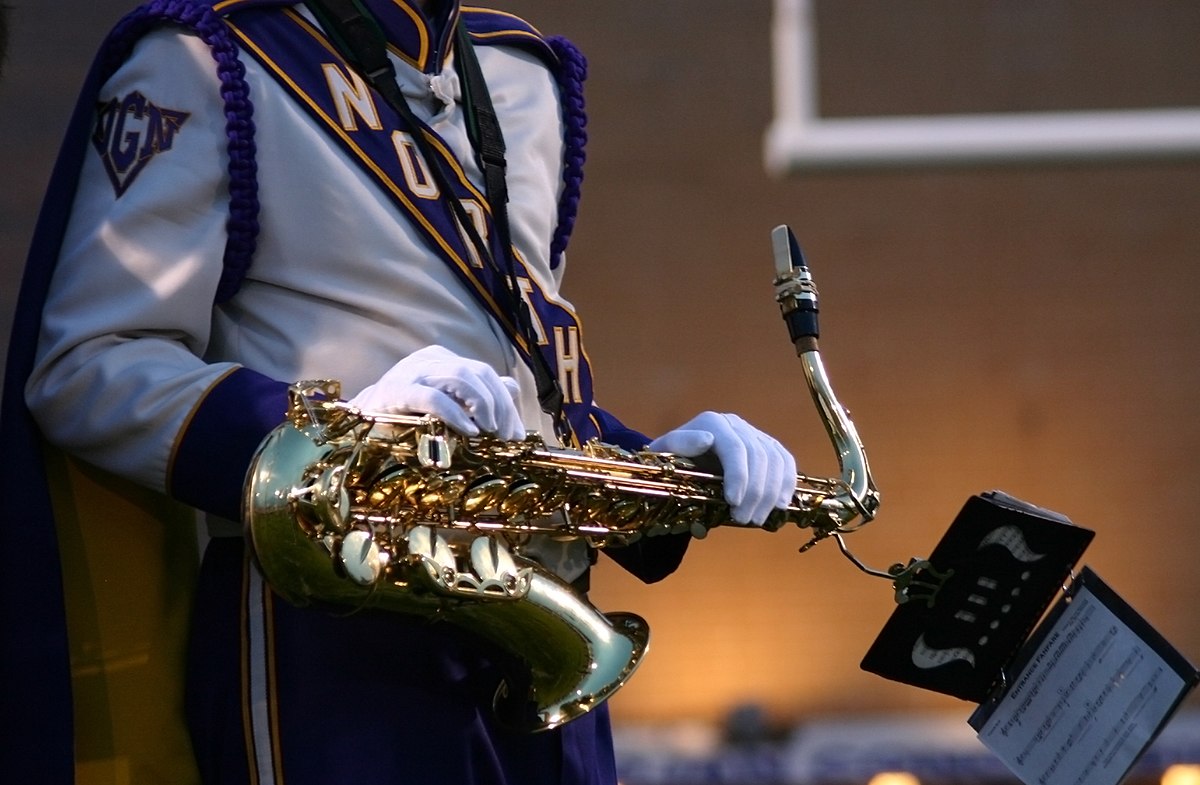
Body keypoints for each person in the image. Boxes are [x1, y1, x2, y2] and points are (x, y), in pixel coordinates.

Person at [2, 1, 798, 783]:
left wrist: (658, 469)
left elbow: (516, 388)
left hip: (551, 624)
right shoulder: (212, 60)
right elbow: (87, 362)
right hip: (339, 631)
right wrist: (339, 430)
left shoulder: (523, 75)